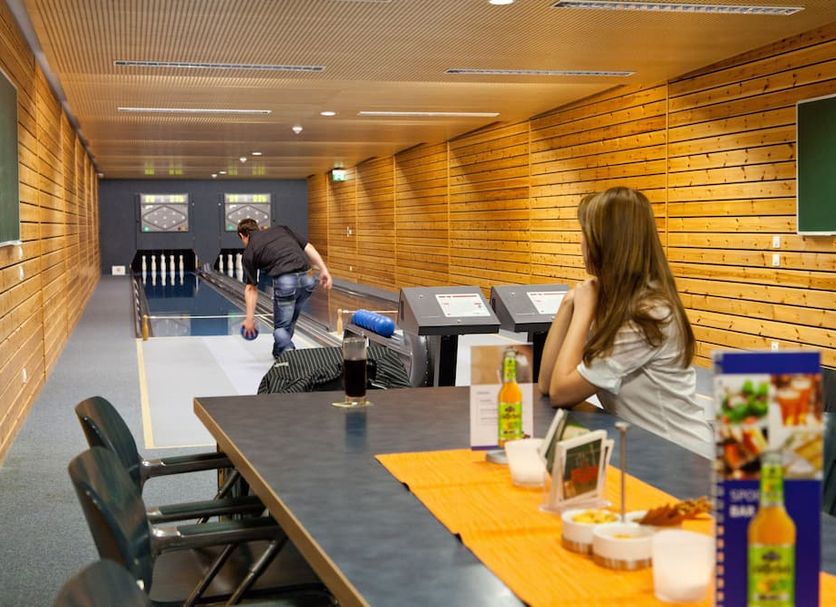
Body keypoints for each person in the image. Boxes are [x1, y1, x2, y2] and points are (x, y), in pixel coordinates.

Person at [537, 187, 712, 457]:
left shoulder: (648, 315)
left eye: (585, 233)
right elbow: (546, 384)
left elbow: (561, 392)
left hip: (680, 456)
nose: (580, 242)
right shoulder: (614, 303)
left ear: (607, 243)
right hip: (645, 446)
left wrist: (583, 312)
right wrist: (568, 303)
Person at [238, 218, 332, 358]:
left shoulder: (249, 251)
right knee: (290, 321)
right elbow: (308, 247)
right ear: (257, 228)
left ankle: (290, 353)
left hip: (286, 282)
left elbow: (251, 289)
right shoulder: (281, 229)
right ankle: (278, 353)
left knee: (281, 328)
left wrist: (249, 319)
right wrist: (324, 269)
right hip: (307, 279)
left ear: (242, 235)